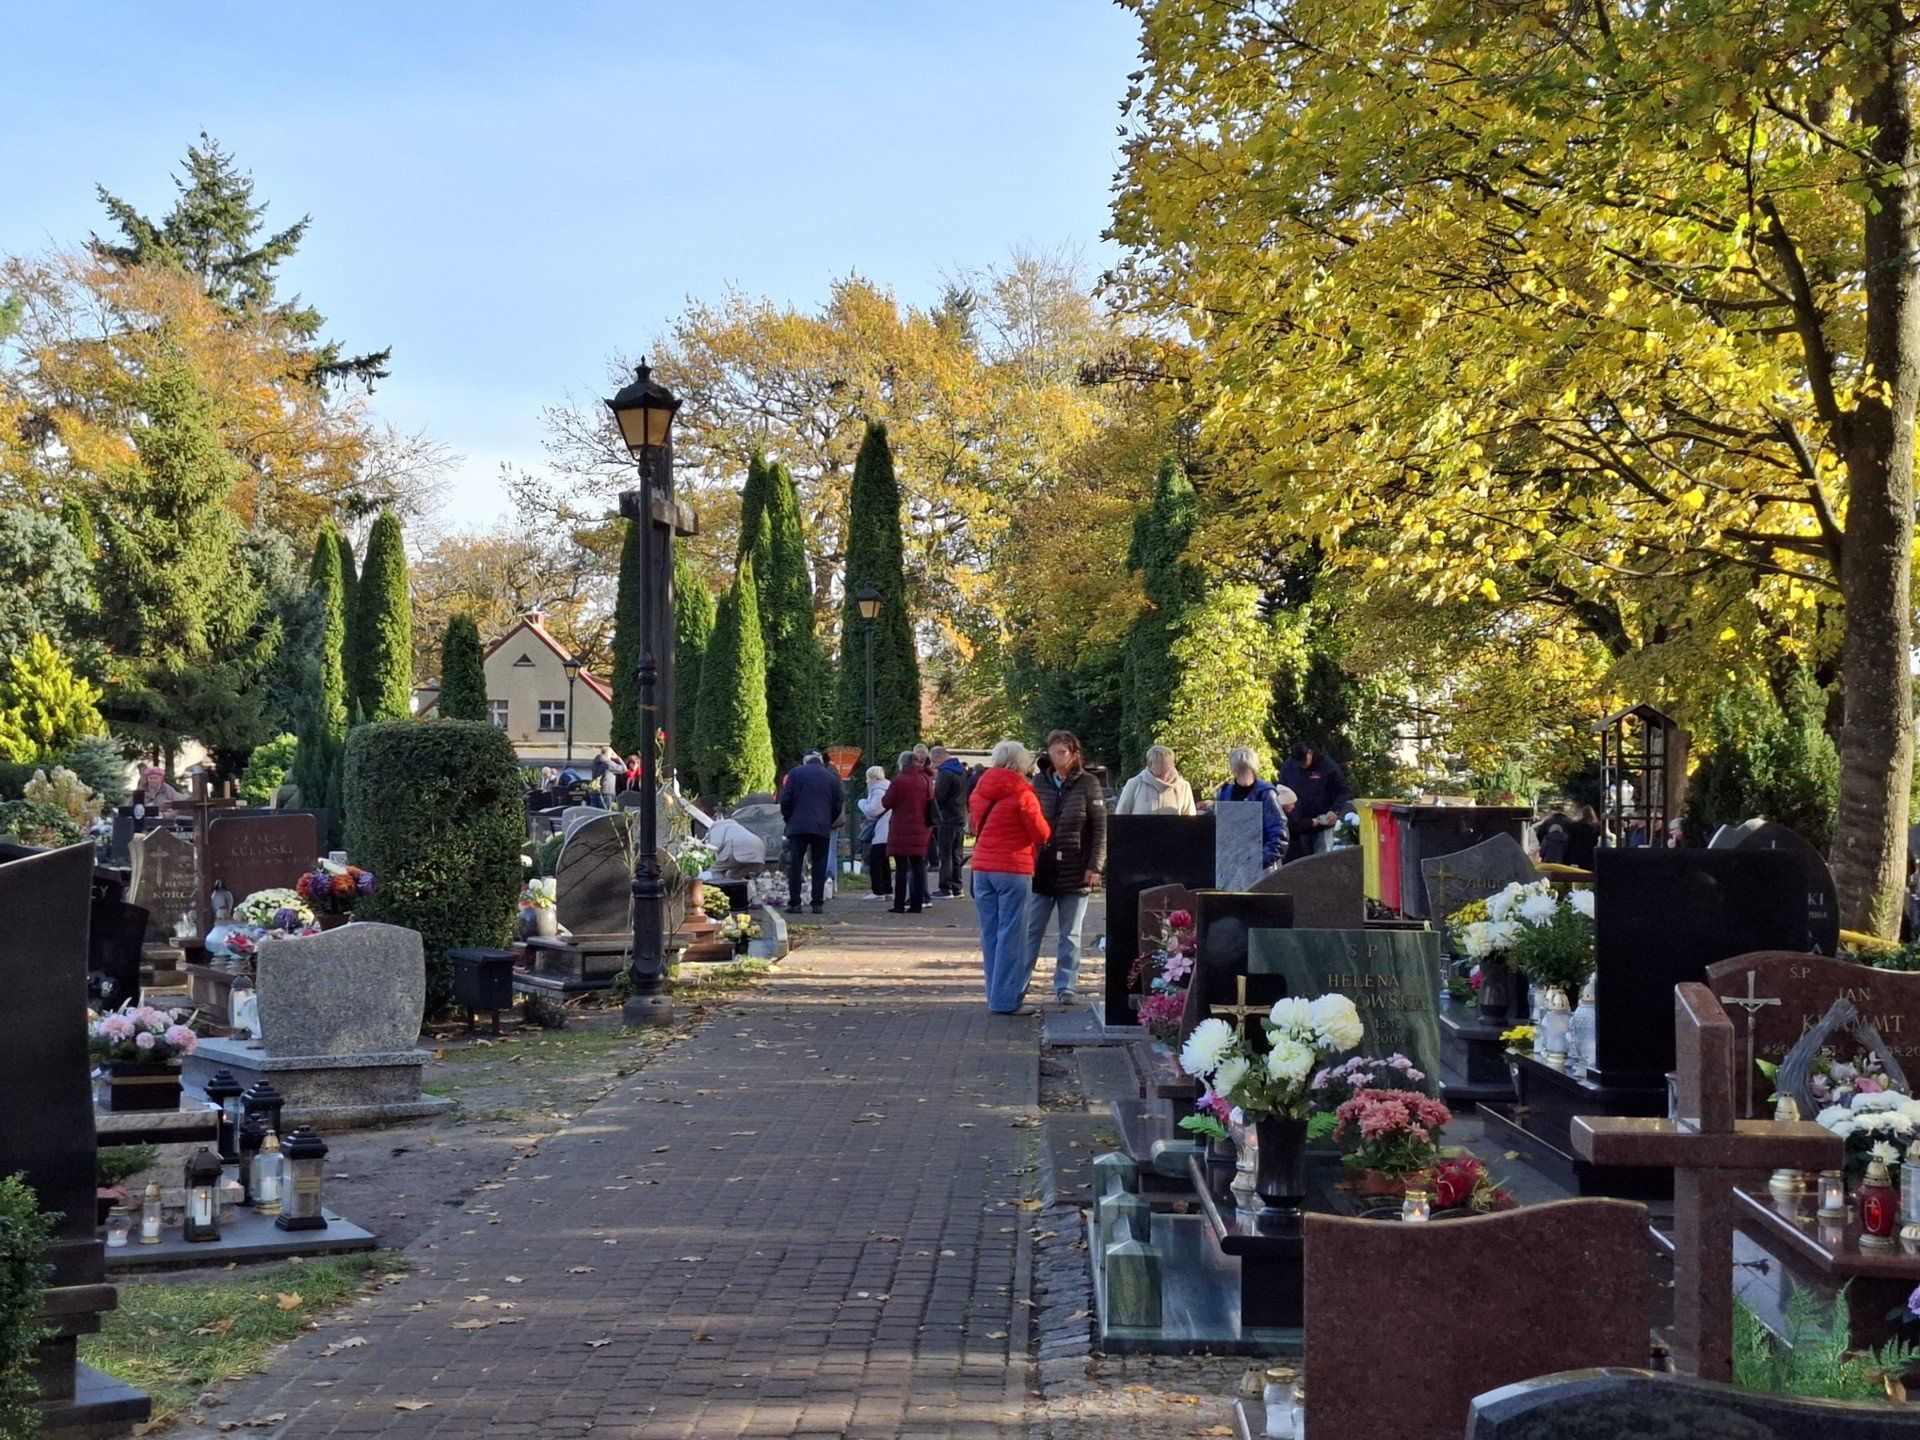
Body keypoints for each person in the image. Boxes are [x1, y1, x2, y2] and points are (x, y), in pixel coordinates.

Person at [970, 740, 1052, 1015]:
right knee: (1012, 936)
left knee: (990, 934)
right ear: (1020, 763)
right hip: (1013, 869)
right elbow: (1041, 834)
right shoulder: (1023, 794)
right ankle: (1005, 1001)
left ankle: (994, 996)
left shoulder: (980, 790)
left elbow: (974, 825)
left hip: (981, 869)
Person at [1027, 730, 1108, 1007]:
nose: (1057, 757)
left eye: (1062, 752)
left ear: (1074, 753)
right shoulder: (1039, 781)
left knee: (1070, 934)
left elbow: (1100, 829)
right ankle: (1019, 983)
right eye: (1053, 751)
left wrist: (1095, 865)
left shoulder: (1088, 784)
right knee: (1031, 930)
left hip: (1076, 868)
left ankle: (1066, 985)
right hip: (1044, 866)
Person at [779, 751, 844, 913]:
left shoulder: (794, 773)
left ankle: (795, 903)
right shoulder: (831, 777)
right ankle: (817, 903)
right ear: (821, 762)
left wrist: (789, 819)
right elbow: (838, 803)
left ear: (805, 761)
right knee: (819, 864)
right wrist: (827, 820)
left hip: (797, 826)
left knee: (795, 864)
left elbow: (785, 799)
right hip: (821, 827)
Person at [1216, 746, 1291, 872]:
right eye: (1240, 769)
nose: (1242, 774)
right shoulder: (1225, 793)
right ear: (1233, 770)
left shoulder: (1266, 794)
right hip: (1230, 868)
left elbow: (1279, 835)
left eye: (1246, 769)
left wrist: (1257, 860)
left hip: (1262, 868)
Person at [1278, 742, 1353, 859]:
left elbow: (1343, 791)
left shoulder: (1327, 766)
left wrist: (1335, 810)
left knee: (1321, 864)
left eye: (1304, 762)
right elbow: (1281, 790)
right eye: (1299, 764)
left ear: (1310, 753)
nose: (1302, 766)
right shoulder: (1288, 767)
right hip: (1298, 827)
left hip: (1322, 827)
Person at [882, 751, 936, 914]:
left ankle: (899, 904)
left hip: (900, 828)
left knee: (901, 868)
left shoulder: (898, 781)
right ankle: (917, 904)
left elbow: (886, 802)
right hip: (921, 828)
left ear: (902, 764)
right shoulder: (925, 780)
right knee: (918, 866)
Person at [1115, 745, 1196, 816]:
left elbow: (1190, 822)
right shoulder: (1134, 784)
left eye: (1168, 766)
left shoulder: (1183, 787)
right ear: (1150, 764)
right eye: (1160, 765)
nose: (1165, 772)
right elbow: (1120, 817)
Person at [932, 745, 969, 897]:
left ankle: (945, 887)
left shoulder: (945, 772)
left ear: (940, 757)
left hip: (946, 816)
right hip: (959, 814)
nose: (934, 765)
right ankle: (957, 885)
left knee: (945, 853)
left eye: (934, 761)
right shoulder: (960, 770)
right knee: (956, 853)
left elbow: (940, 796)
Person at [857, 765, 893, 900]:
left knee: (875, 859)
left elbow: (873, 811)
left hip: (881, 830)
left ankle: (878, 891)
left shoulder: (878, 790)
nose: (866, 781)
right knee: (884, 861)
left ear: (872, 777)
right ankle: (887, 890)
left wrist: (861, 803)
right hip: (887, 827)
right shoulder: (887, 787)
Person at [706, 806, 768, 881]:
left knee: (714, 871)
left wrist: (706, 861)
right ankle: (745, 890)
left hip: (739, 849)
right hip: (759, 853)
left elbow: (715, 846)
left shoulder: (717, 826)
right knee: (734, 876)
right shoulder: (734, 826)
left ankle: (706, 887)